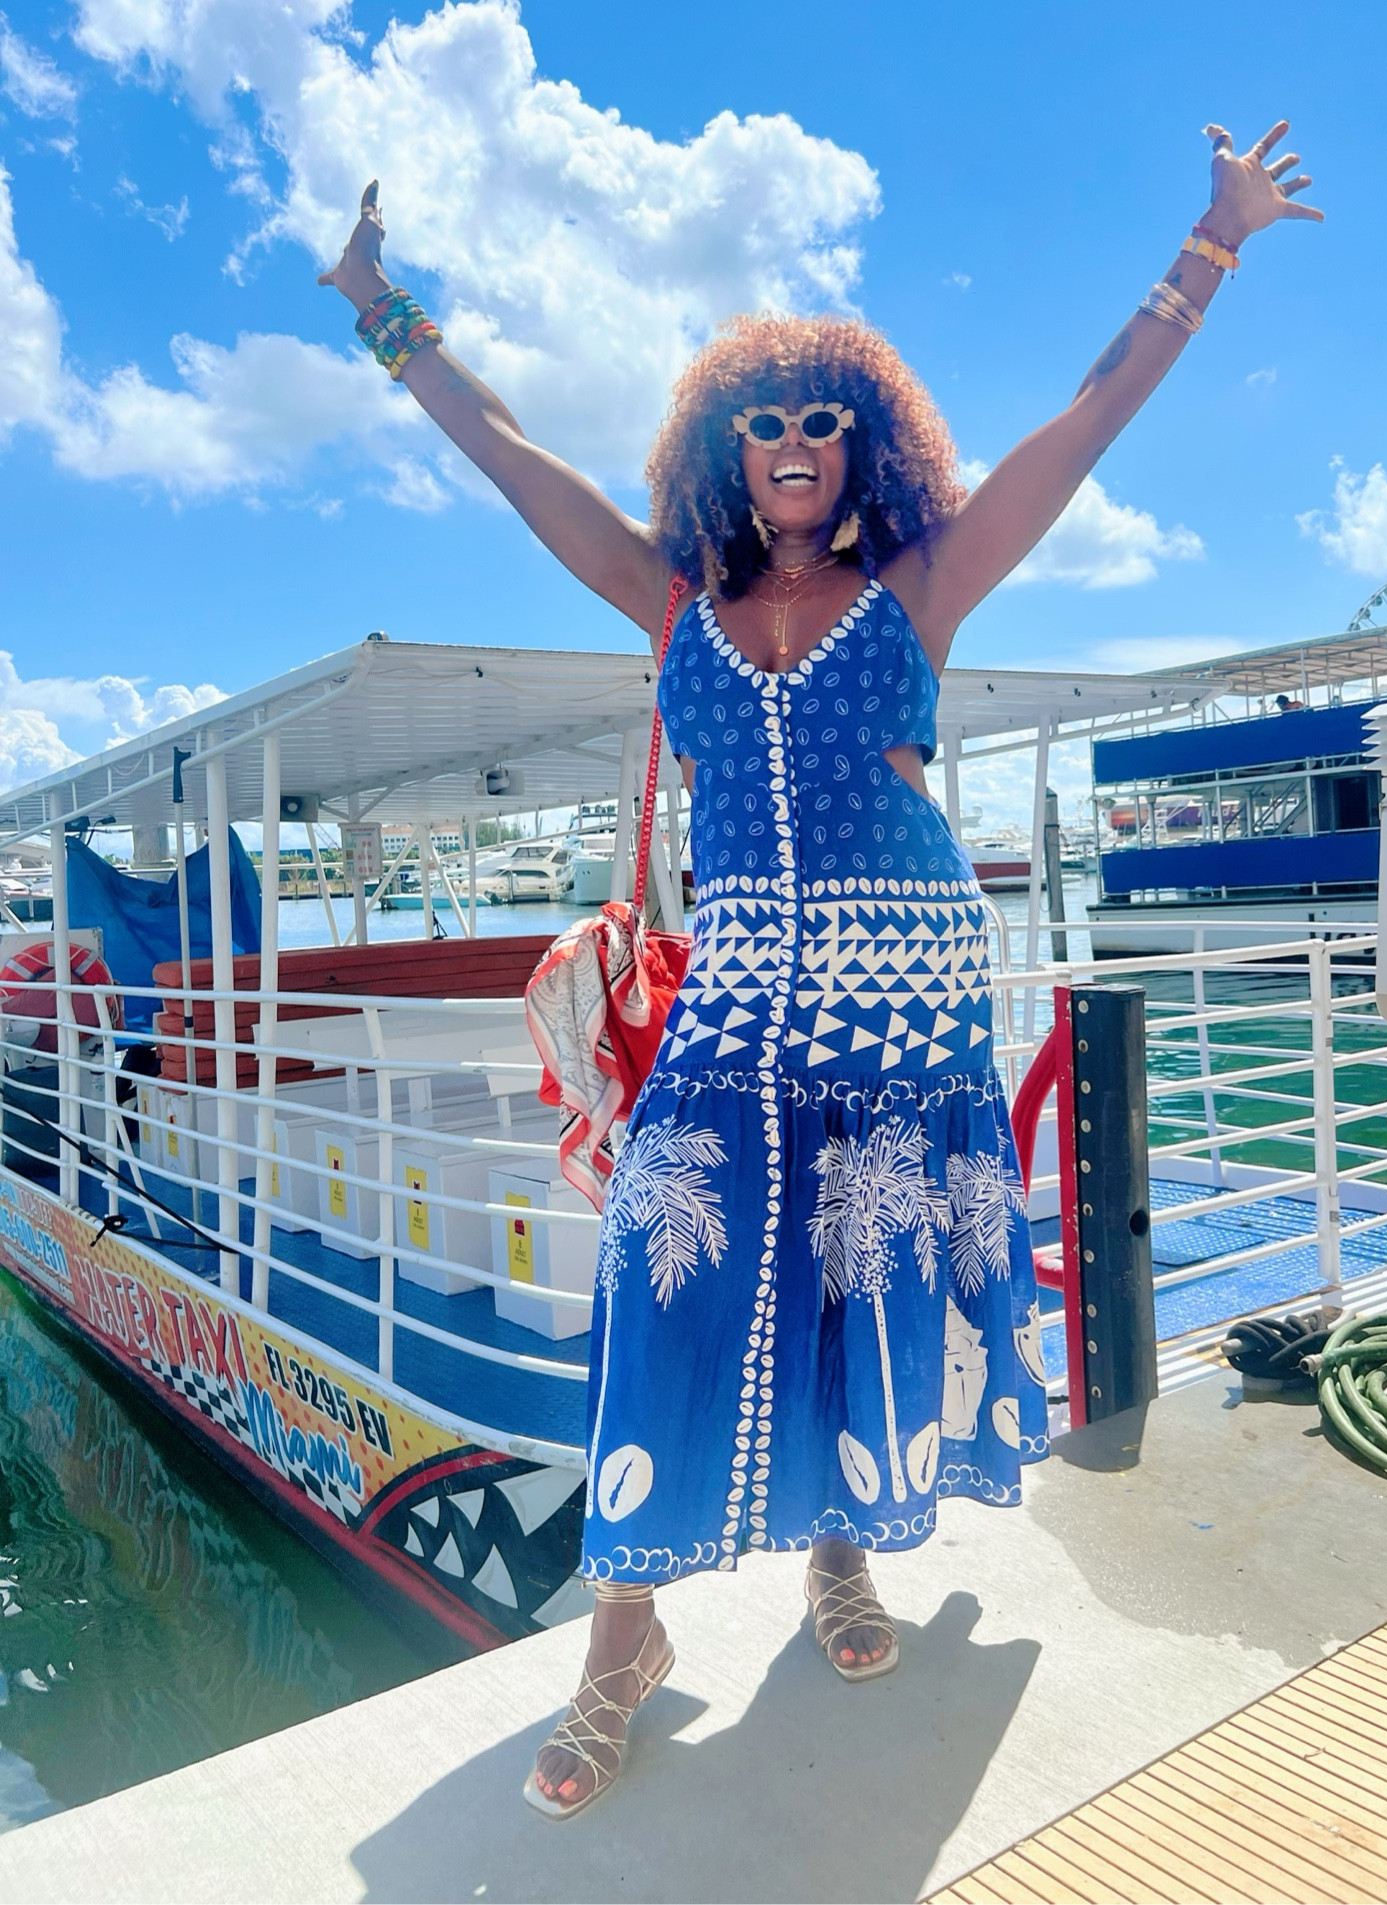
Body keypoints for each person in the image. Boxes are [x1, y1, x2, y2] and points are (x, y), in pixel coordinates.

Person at [320, 119, 1322, 1819]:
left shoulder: (922, 585)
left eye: (819, 420)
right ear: (726, 447)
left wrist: (1208, 247)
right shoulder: (668, 599)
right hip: (737, 992)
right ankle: (624, 1631)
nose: (791, 443)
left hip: (905, 984)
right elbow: (511, 455)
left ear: (863, 443)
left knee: (867, 1273)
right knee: (666, 1277)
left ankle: (840, 1554)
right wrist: (381, 308)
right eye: (762, 422)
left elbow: (1082, 424)